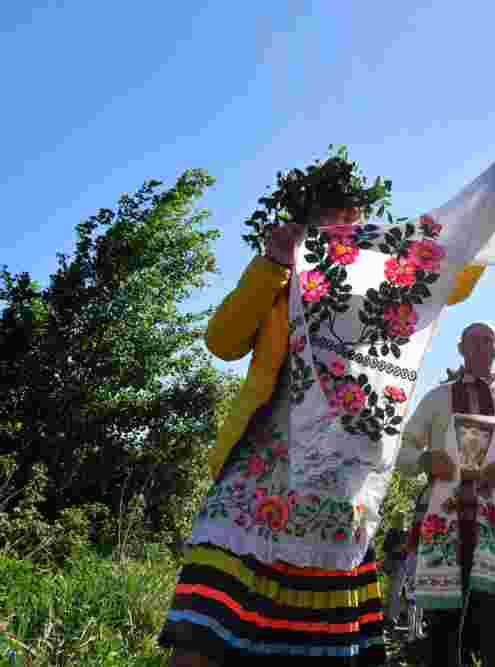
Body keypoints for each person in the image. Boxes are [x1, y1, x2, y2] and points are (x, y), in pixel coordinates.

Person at [158, 211, 387, 666]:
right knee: (199, 633)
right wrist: (273, 262)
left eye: (349, 226)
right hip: (259, 467)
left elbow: (447, 274)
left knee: (312, 646)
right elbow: (223, 341)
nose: (336, 235)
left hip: (332, 480)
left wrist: (492, 204)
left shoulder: (376, 293)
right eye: (325, 225)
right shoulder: (277, 281)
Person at [396, 321, 495, 667]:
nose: (480, 348)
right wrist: (424, 458)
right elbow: (400, 450)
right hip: (442, 520)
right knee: (442, 625)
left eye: (487, 342)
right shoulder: (437, 398)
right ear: (460, 348)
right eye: (473, 342)